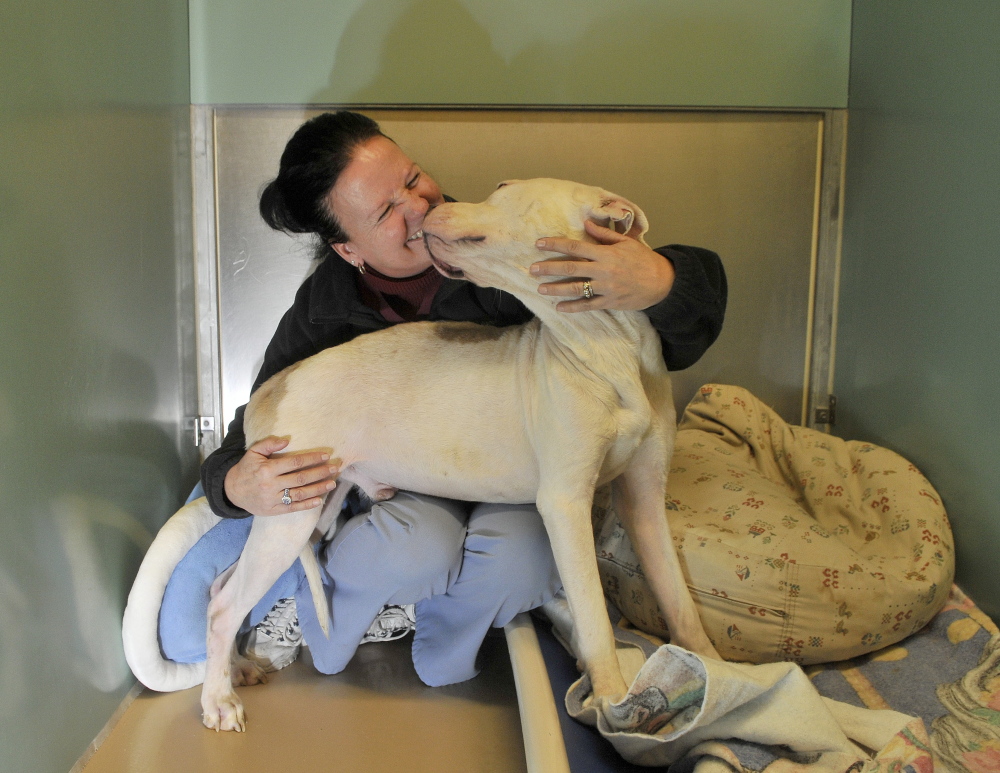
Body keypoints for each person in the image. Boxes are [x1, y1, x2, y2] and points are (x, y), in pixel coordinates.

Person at [159, 111, 728, 686]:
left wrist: (660, 277)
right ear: (348, 249)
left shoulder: (500, 232)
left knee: (525, 559)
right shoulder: (324, 310)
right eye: (385, 213)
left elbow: (669, 326)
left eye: (412, 179)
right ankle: (339, 613)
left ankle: (442, 635)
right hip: (413, 477)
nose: (418, 208)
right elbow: (261, 416)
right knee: (414, 547)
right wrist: (233, 483)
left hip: (513, 469)